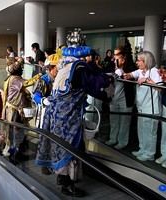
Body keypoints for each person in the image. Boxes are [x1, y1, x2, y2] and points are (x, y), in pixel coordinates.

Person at [35, 28, 114, 197]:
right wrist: (107, 78)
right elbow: (97, 87)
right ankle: (68, 185)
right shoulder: (79, 68)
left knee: (61, 147)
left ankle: (62, 179)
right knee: (72, 150)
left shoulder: (64, 65)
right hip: (70, 118)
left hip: (56, 115)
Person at [123, 51, 162, 161]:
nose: (137, 62)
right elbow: (131, 74)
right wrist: (127, 75)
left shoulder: (154, 71)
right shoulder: (141, 71)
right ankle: (143, 149)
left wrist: (147, 80)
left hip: (151, 108)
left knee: (150, 132)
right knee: (141, 130)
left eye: (139, 60)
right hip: (141, 106)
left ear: (146, 61)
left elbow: (160, 88)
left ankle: (149, 154)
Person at [1, 57, 32, 161]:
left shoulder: (10, 78)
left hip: (12, 110)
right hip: (14, 111)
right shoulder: (15, 79)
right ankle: (15, 155)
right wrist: (40, 76)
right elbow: (27, 83)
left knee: (14, 133)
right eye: (21, 68)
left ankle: (15, 152)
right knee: (16, 133)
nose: (22, 69)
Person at [105, 46, 136, 149]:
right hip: (113, 98)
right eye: (114, 54)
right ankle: (113, 139)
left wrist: (121, 70)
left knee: (124, 122)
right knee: (113, 120)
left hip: (126, 99)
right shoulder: (110, 65)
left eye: (117, 54)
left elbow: (132, 79)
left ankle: (122, 142)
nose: (115, 57)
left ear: (124, 56)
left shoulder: (130, 67)